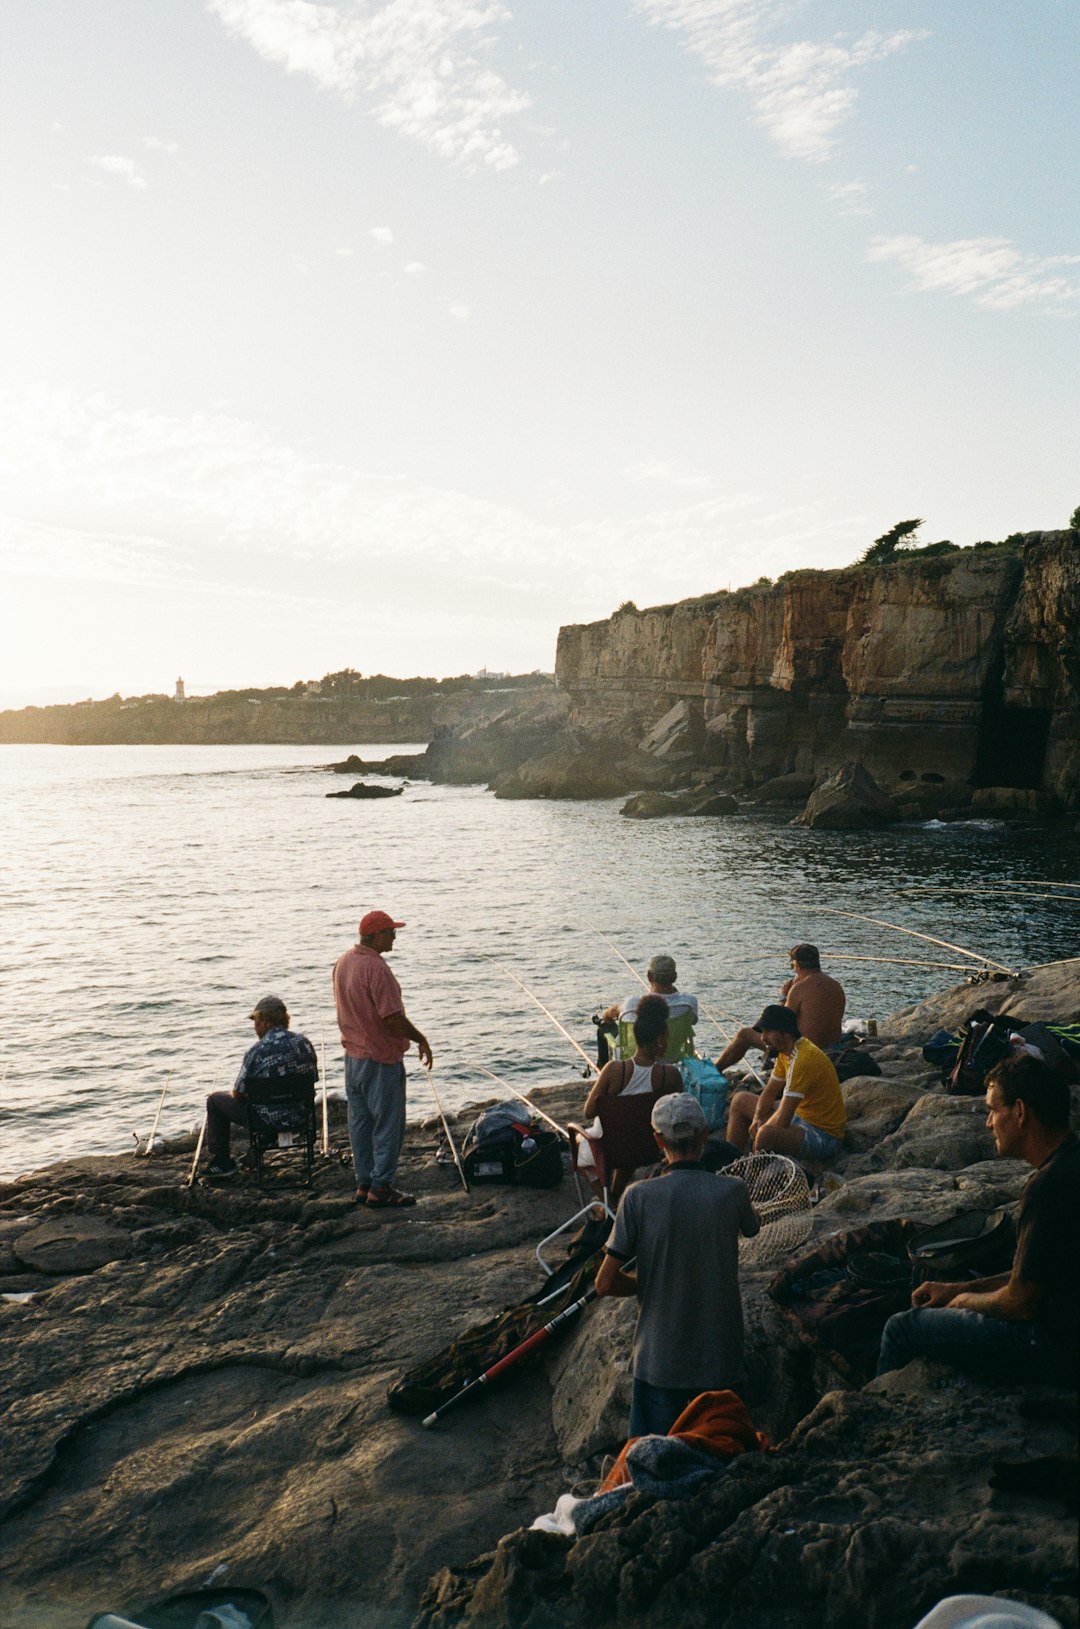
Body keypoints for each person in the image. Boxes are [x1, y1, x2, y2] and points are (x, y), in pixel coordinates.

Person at [877, 1055, 1079, 1383]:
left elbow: (1021, 1303)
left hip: (1055, 1347)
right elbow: (1030, 1277)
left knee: (901, 1328)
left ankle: (871, 1416)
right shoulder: (1071, 1161)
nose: (987, 1123)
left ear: (1020, 1112)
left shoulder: (1049, 1188)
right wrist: (958, 1287)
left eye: (992, 1110)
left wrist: (963, 1301)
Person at [596, 1092, 760, 1437]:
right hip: (721, 1360)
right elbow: (753, 1228)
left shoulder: (638, 1196)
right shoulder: (733, 1190)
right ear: (704, 1136)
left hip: (659, 1362)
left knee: (652, 1464)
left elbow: (605, 1283)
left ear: (658, 1140)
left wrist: (646, 1283)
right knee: (720, 1459)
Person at [333, 909, 433, 1208]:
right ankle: (382, 1187)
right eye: (390, 932)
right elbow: (391, 1017)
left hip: (353, 1059)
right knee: (388, 1124)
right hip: (380, 1057)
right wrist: (420, 1039)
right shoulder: (376, 968)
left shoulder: (343, 962)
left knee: (360, 1124)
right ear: (375, 935)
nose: (394, 936)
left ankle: (364, 1183)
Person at [580, 994, 683, 1201]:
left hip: (611, 1146)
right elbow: (678, 1110)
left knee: (584, 1141)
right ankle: (615, 1198)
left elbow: (589, 1111)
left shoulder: (613, 1070)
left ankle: (606, 1201)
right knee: (630, 1136)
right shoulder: (670, 1075)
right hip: (647, 1146)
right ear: (660, 1039)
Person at [204, 995, 318, 1179]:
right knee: (273, 1099)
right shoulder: (304, 1044)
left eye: (256, 1022)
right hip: (300, 1116)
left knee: (215, 1101)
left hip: (265, 1121)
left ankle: (222, 1162)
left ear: (266, 1022)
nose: (254, 1027)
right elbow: (312, 1080)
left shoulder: (256, 1052)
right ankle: (267, 1141)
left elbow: (238, 1092)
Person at [724, 1004, 845, 1162]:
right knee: (739, 1100)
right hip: (800, 1117)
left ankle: (751, 1170)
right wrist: (757, 1119)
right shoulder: (785, 1052)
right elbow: (769, 1092)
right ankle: (729, 1160)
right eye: (762, 1032)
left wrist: (760, 1134)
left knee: (766, 1135)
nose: (762, 1038)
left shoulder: (804, 1059)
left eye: (768, 1032)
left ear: (785, 1032)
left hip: (823, 1135)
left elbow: (783, 1119)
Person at [715, 943, 845, 1074]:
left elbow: (780, 1024)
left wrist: (784, 995)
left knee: (745, 1034)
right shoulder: (836, 986)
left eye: (792, 966)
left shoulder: (799, 988)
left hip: (806, 1049)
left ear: (797, 965)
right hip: (834, 1048)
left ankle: (715, 1070)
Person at [600, 954, 700, 1063]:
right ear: (675, 977)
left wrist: (606, 1015)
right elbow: (693, 1021)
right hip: (673, 1060)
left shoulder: (633, 1004)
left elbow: (613, 1012)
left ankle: (604, 1072)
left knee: (603, 1028)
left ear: (649, 976)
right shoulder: (688, 1003)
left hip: (634, 1062)